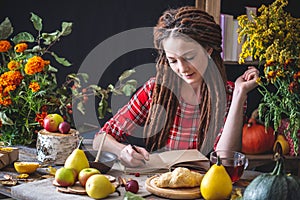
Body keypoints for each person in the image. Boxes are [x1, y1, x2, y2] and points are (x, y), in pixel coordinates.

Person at [93, 6, 259, 167]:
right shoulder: (156, 90)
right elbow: (100, 139)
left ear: (208, 49)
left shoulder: (229, 95)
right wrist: (122, 150)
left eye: (189, 57)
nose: (182, 68)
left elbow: (225, 160)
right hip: (160, 184)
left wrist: (239, 93)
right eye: (173, 60)